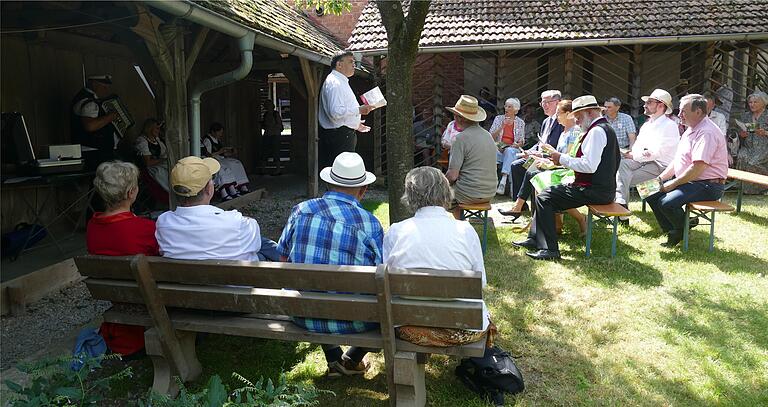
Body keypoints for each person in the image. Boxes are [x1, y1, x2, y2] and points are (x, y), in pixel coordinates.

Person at [277, 152, 382, 377]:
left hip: (302, 313)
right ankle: (352, 358)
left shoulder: (301, 210)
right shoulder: (370, 223)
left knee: (317, 290)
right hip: (356, 319)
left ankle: (337, 359)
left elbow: (283, 259)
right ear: (362, 191)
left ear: (329, 183)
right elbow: (382, 274)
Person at [384, 167, 493, 347]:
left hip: (408, 323)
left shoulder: (396, 231)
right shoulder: (465, 230)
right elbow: (480, 282)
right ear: (445, 192)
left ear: (409, 196)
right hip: (462, 325)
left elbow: (388, 279)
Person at [513, 95, 620, 260]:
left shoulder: (597, 132)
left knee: (545, 197)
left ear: (589, 112)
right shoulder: (602, 129)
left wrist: (560, 158)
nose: (576, 121)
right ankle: (535, 239)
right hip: (597, 187)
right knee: (544, 192)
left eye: (578, 117)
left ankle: (549, 250)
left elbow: (589, 166)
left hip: (595, 190)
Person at [86, 161, 158, 357]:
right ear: (131, 193)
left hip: (119, 297)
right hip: (150, 300)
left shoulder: (92, 227)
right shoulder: (145, 229)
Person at [155, 156, 279, 261]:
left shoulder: (163, 223)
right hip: (235, 286)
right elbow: (255, 239)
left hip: (188, 284)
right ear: (209, 189)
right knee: (262, 249)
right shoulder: (235, 222)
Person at [647, 94, 729, 247]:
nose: (679, 115)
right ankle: (677, 226)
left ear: (698, 112)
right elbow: (678, 161)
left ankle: (678, 232)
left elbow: (698, 167)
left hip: (708, 185)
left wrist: (671, 185)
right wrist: (660, 179)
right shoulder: (691, 129)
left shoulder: (706, 132)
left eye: (683, 111)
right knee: (647, 192)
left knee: (666, 203)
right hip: (690, 181)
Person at [500, 100, 587, 235]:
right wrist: (540, 155)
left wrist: (547, 160)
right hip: (555, 164)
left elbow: (569, 157)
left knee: (532, 173)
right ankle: (523, 209)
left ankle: (520, 208)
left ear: (569, 114)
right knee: (523, 167)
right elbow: (557, 153)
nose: (556, 117)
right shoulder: (563, 131)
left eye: (559, 114)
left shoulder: (574, 132)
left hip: (565, 169)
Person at [614, 89, 680, 216]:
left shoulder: (670, 125)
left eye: (649, 102)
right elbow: (638, 147)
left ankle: (621, 210)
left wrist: (634, 155)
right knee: (621, 166)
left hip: (661, 167)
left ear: (661, 105)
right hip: (642, 161)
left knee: (623, 177)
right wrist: (632, 154)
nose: (644, 105)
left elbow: (656, 153)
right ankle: (621, 206)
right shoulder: (647, 125)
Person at [318, 50, 376, 169]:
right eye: (350, 62)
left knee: (343, 173)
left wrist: (355, 124)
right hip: (339, 136)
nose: (354, 65)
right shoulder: (335, 83)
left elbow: (340, 112)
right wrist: (359, 110)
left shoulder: (339, 81)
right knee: (342, 173)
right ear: (339, 65)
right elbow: (335, 112)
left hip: (342, 134)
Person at [445, 95, 498, 219]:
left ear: (459, 118)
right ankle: (460, 224)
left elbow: (452, 175)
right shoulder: (488, 136)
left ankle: (457, 226)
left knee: (438, 195)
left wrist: (438, 183)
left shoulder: (460, 138)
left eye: (454, 115)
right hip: (490, 192)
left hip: (469, 193)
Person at [508, 90, 564, 199]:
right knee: (516, 166)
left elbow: (559, 147)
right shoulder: (546, 121)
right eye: (543, 102)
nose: (545, 105)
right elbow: (541, 142)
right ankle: (520, 204)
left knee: (532, 170)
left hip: (550, 159)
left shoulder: (562, 122)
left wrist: (541, 154)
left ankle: (524, 204)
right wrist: (529, 151)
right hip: (537, 157)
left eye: (548, 102)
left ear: (558, 102)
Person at [70, 74, 121, 170]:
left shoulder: (89, 99)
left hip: (98, 152)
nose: (106, 90)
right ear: (94, 84)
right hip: (94, 154)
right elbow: (90, 126)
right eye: (104, 87)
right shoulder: (89, 102)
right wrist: (110, 117)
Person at [202, 122, 250, 201]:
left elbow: (223, 154)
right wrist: (220, 152)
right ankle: (229, 190)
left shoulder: (217, 140)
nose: (221, 134)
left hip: (220, 158)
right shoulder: (208, 140)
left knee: (236, 163)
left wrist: (231, 152)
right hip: (212, 160)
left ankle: (241, 186)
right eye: (219, 132)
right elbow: (208, 155)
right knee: (224, 168)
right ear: (213, 132)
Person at [489, 98, 525, 195]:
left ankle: (503, 181)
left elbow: (521, 141)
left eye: (509, 106)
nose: (506, 108)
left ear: (515, 109)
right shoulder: (498, 119)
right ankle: (493, 183)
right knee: (492, 152)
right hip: (498, 147)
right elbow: (491, 136)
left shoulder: (520, 122)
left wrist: (518, 144)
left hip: (512, 149)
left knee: (509, 151)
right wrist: (502, 126)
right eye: (506, 106)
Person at [735, 91, 768, 194]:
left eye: (755, 102)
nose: (752, 104)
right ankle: (743, 189)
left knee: (753, 162)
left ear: (763, 103)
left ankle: (763, 187)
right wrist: (741, 134)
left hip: (763, 147)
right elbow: (738, 130)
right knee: (742, 157)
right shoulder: (745, 116)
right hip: (748, 146)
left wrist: (765, 132)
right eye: (750, 102)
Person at [135, 118, 169, 192]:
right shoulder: (142, 141)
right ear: (150, 128)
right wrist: (163, 160)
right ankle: (169, 190)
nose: (158, 131)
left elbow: (164, 154)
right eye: (156, 128)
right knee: (159, 173)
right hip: (148, 168)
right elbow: (148, 163)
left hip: (158, 164)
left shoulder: (157, 140)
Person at [261, 100, 284, 175]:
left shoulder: (275, 114)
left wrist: (271, 126)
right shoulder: (266, 114)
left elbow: (279, 125)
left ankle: (278, 169)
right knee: (265, 152)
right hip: (268, 135)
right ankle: (263, 169)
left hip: (275, 135)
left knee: (276, 152)